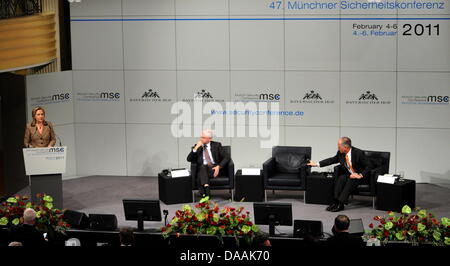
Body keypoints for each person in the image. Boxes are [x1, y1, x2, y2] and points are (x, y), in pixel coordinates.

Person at [307, 137, 371, 212]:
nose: (338, 148)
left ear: (345, 147)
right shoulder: (340, 153)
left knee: (351, 179)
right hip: (351, 175)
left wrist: (360, 175)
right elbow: (332, 160)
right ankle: (336, 201)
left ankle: (340, 203)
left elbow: (369, 166)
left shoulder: (359, 153)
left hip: (361, 177)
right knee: (341, 178)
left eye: (339, 146)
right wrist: (317, 164)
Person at [187, 129, 230, 198]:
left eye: (203, 138)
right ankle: (207, 189)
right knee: (203, 167)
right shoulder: (197, 146)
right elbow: (188, 159)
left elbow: (227, 157)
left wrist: (218, 166)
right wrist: (195, 148)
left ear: (210, 139)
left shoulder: (217, 145)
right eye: (201, 137)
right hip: (203, 169)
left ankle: (204, 193)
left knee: (200, 174)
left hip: (214, 169)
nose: (201, 139)